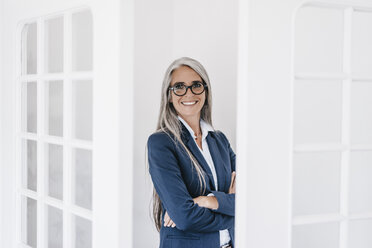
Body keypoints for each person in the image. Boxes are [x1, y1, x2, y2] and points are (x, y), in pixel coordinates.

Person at [147, 57, 236, 248]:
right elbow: (185, 217)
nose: (188, 93)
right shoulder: (161, 143)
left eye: (196, 85)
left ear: (205, 91)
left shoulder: (220, 140)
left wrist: (208, 201)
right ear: (169, 96)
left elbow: (250, 198)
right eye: (179, 86)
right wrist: (231, 211)